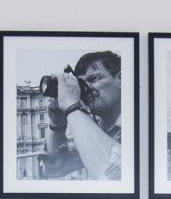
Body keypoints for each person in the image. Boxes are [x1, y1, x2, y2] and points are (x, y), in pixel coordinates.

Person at [40, 51, 123, 181]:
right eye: (80, 84)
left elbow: (116, 173)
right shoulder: (96, 129)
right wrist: (57, 124)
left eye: (94, 78)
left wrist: (71, 106)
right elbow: (52, 168)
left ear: (121, 79)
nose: (85, 88)